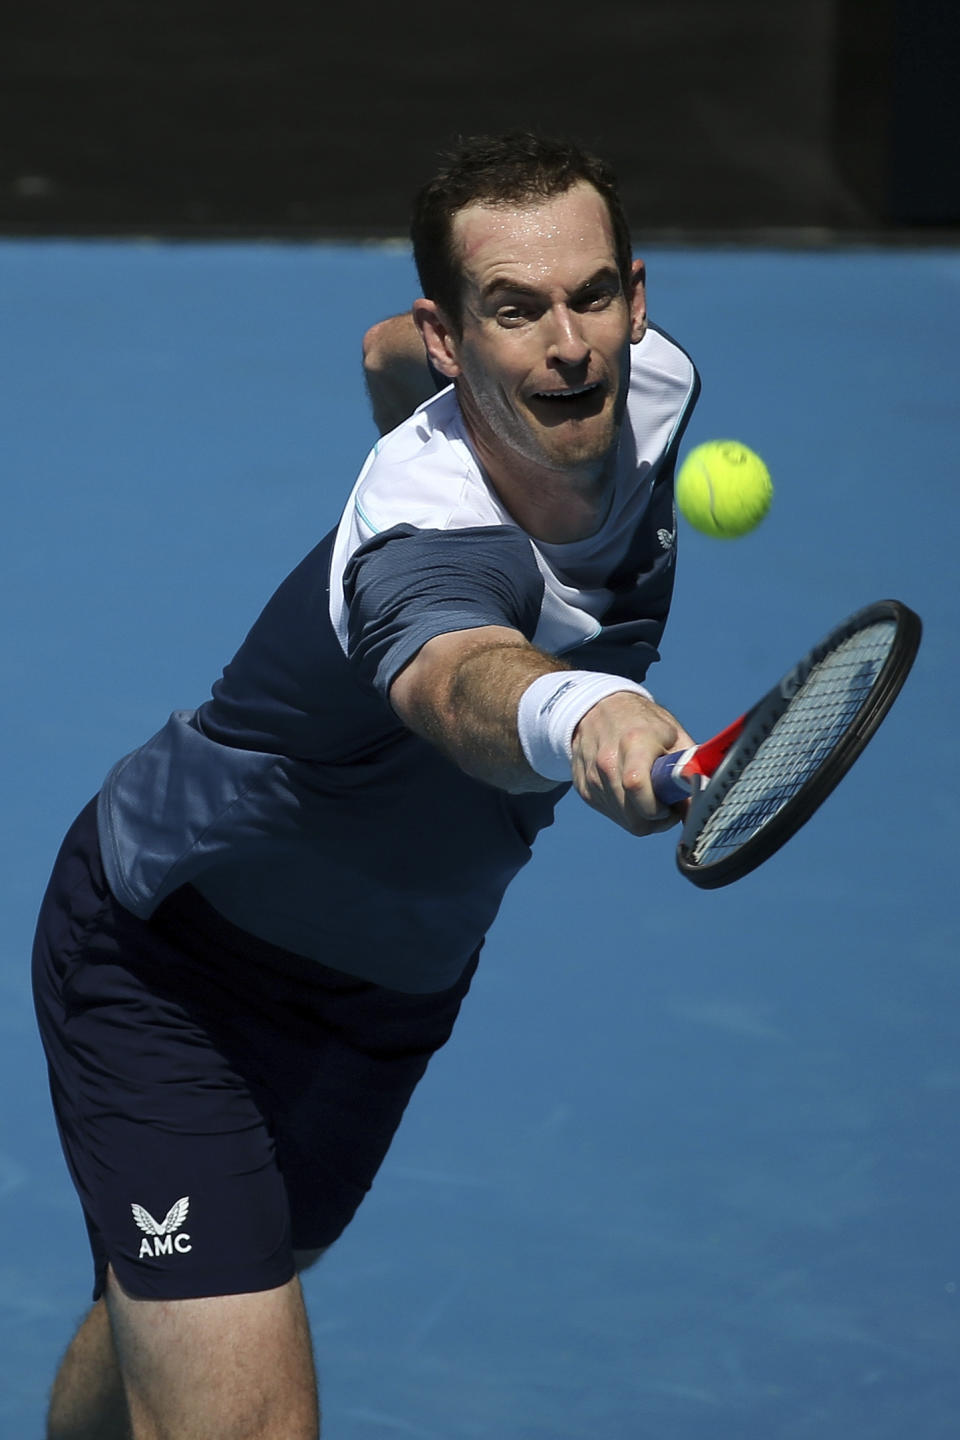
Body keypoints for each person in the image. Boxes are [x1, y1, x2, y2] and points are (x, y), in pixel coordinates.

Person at [33, 131, 701, 1439]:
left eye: (591, 296)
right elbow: (461, 687)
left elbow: (377, 357)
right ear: (455, 335)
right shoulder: (413, 551)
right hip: (171, 959)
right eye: (513, 310)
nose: (568, 346)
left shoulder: (652, 384)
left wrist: (409, 377)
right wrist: (584, 707)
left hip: (387, 998)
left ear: (636, 292)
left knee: (184, 1303)